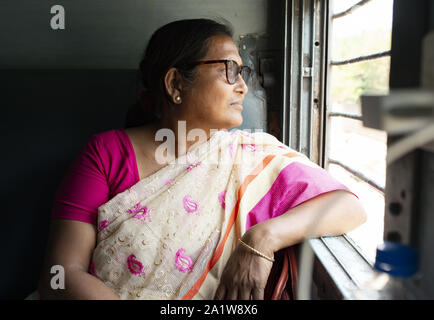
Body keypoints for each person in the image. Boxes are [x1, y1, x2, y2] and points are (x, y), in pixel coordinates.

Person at [35, 19, 367, 300]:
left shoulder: (252, 155)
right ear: (175, 82)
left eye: (243, 73)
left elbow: (349, 207)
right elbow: (62, 272)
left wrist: (261, 239)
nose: (242, 88)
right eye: (229, 70)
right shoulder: (106, 154)